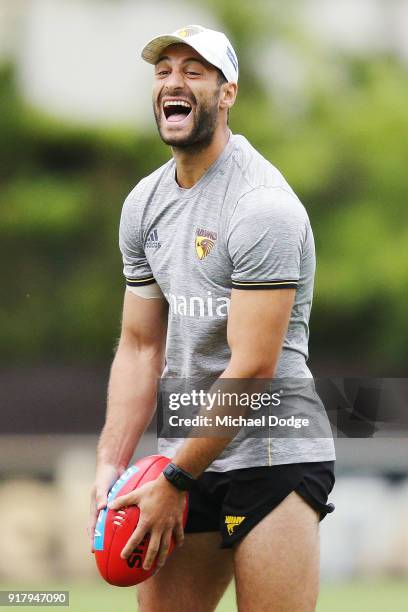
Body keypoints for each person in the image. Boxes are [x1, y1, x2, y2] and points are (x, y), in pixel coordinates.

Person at [89, 24, 336, 612]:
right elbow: (140, 346)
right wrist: (111, 465)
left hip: (273, 451)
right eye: (164, 70)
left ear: (226, 94)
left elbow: (252, 369)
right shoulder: (144, 204)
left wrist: (174, 480)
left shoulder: (262, 207)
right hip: (187, 451)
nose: (174, 81)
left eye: (194, 72)